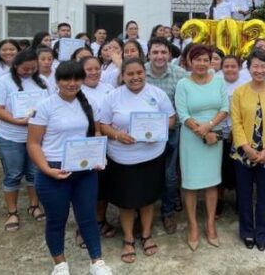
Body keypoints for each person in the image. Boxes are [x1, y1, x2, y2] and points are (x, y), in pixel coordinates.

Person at [26, 61, 113, 275]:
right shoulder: (45, 106)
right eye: (66, 79)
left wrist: (98, 156)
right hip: (54, 171)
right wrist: (46, 169)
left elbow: (96, 133)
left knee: (88, 217)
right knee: (57, 219)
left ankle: (97, 261)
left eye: (76, 79)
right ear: (57, 81)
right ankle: (60, 264)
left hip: (84, 171)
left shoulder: (91, 102)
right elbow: (33, 143)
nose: (72, 83)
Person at [97, 58, 176, 264]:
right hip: (122, 158)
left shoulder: (157, 94)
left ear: (145, 73)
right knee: (127, 201)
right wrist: (117, 135)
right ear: (122, 76)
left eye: (139, 73)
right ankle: (129, 238)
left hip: (151, 155)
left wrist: (158, 130)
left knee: (148, 199)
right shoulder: (112, 96)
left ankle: (147, 234)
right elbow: (103, 124)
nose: (135, 77)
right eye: (130, 74)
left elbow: (171, 118)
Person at [175, 44, 230, 250]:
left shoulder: (218, 81)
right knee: (190, 184)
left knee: (211, 182)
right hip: (191, 137)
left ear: (210, 61)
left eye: (205, 60)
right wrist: (202, 131)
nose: (201, 63)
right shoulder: (183, 84)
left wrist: (209, 127)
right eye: (196, 59)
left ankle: (210, 224)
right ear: (189, 61)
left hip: (214, 136)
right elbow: (182, 114)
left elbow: (225, 108)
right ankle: (192, 226)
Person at [230, 49, 265, 251]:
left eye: (263, 66)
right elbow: (236, 122)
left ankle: (262, 233)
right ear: (249, 68)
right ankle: (247, 232)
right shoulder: (239, 92)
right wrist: (246, 147)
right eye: (255, 66)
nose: (259, 70)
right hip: (243, 152)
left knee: (263, 195)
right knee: (244, 195)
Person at [0, 48, 49, 231]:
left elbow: (49, 104)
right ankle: (12, 212)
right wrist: (16, 121)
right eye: (25, 69)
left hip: (36, 137)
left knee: (34, 173)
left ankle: (34, 205)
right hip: (11, 137)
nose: (29, 72)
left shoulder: (43, 81)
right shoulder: (3, 82)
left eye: (33, 68)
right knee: (13, 174)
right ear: (15, 66)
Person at [143, 37, 188, 234]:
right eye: (155, 52)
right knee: (145, 175)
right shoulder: (140, 72)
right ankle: (143, 215)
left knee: (169, 176)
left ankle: (168, 211)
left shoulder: (179, 74)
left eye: (163, 52)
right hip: (143, 134)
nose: (159, 56)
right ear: (149, 53)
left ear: (169, 54)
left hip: (171, 131)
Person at [79, 56, 117, 240]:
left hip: (110, 144)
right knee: (85, 189)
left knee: (103, 187)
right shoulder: (76, 89)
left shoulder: (109, 88)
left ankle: (100, 219)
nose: (94, 72)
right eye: (89, 69)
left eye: (97, 68)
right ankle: (84, 227)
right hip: (87, 145)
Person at [219, 55, 247, 214]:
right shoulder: (216, 84)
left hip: (240, 135)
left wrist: (236, 132)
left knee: (239, 169)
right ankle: (219, 200)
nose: (230, 69)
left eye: (233, 66)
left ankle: (240, 201)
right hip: (219, 133)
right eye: (226, 66)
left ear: (239, 68)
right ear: (222, 68)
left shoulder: (245, 86)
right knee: (220, 168)